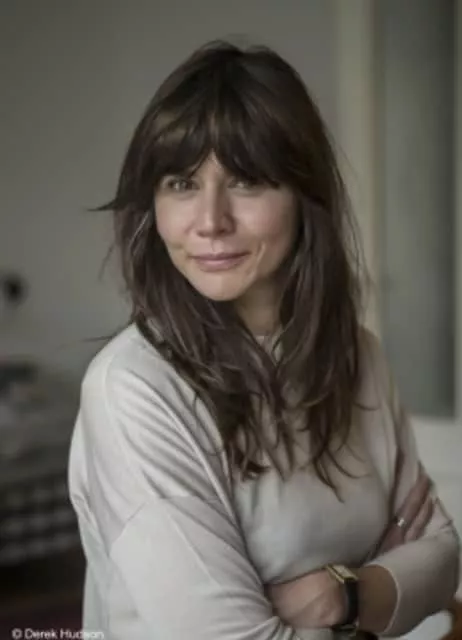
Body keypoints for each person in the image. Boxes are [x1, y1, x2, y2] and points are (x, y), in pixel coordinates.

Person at [68, 41, 460, 640]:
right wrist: (382, 584)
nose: (210, 221)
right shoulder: (132, 390)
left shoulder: (357, 355)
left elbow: (441, 555)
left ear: (304, 195)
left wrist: (340, 596)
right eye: (181, 183)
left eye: (246, 181)